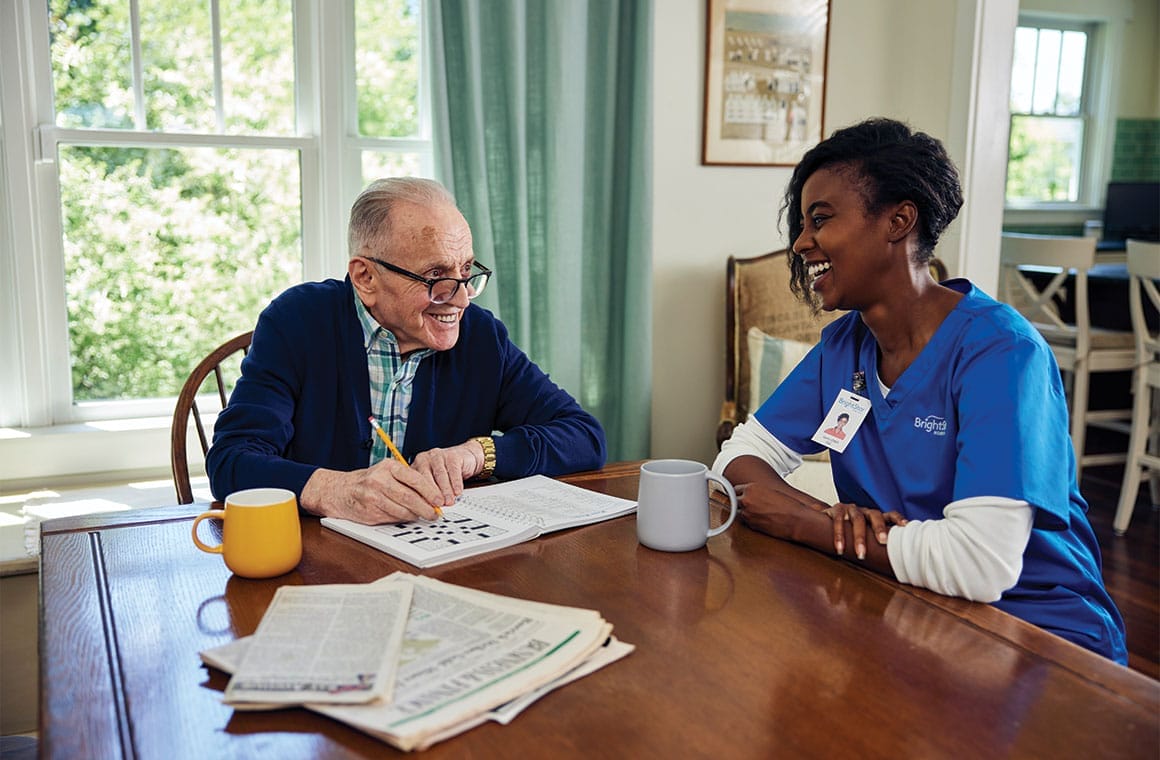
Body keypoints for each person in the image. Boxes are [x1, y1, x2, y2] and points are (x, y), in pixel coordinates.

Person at [713, 118, 1127, 663]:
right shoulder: (844, 348)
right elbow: (737, 457)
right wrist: (842, 522)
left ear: (899, 221)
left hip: (1036, 638)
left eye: (821, 219)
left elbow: (980, 564)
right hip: (909, 605)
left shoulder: (1001, 353)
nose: (802, 242)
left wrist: (810, 523)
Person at [207, 177, 606, 524]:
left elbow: (584, 437)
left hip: (438, 562)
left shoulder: (481, 336)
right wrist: (335, 489)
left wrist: (477, 454)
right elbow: (232, 460)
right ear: (365, 277)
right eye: (435, 276)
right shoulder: (297, 321)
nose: (461, 300)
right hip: (316, 562)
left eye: (465, 273)